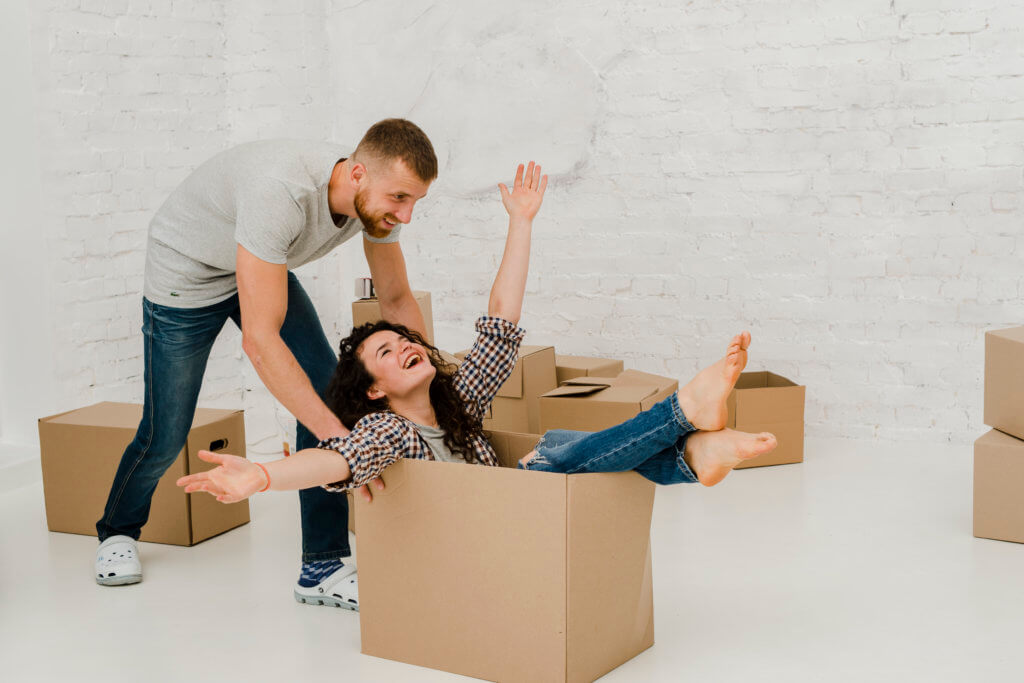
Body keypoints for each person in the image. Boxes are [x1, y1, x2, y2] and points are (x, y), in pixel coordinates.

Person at [176, 161, 778, 540]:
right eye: (385, 353)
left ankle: (694, 454)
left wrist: (521, 223)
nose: (406, 348)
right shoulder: (392, 436)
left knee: (559, 447)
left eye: (404, 340)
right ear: (376, 391)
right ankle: (683, 420)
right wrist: (260, 474)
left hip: (521, 507)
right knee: (553, 459)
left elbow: (499, 325)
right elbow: (335, 461)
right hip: (485, 533)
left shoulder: (457, 400)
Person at [95, 119, 438, 612]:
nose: (405, 215)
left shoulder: (378, 203)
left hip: (254, 264)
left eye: (414, 202)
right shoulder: (280, 190)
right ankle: (116, 531)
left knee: (326, 394)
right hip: (185, 278)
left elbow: (397, 298)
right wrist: (341, 441)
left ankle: (322, 566)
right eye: (400, 198)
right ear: (358, 174)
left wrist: (433, 388)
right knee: (166, 431)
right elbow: (260, 341)